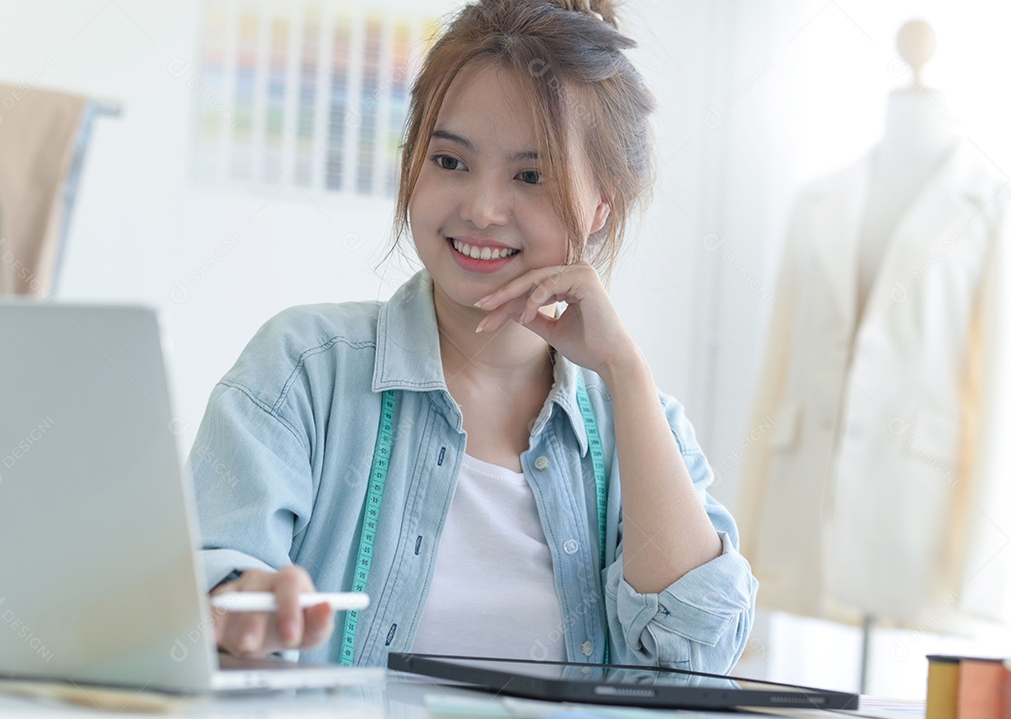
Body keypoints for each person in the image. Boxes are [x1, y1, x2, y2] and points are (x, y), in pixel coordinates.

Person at [190, 0, 757, 672]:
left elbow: (695, 657)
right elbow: (201, 575)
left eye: (530, 174)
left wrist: (625, 371)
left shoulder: (641, 424)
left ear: (601, 201)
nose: (482, 209)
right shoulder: (304, 369)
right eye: (450, 161)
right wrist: (235, 602)